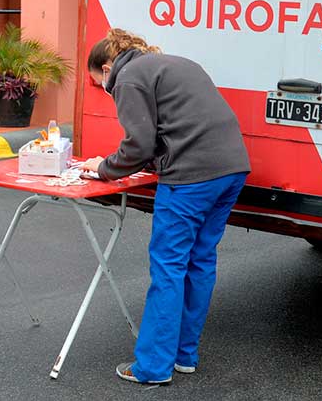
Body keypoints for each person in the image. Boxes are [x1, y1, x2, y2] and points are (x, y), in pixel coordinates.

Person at [81, 28, 251, 384]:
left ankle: (152, 367)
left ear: (108, 67)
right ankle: (184, 355)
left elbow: (139, 143)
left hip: (191, 177)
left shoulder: (127, 78)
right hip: (232, 169)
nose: (106, 91)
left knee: (169, 267)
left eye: (100, 83)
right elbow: (173, 128)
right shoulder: (173, 63)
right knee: (200, 260)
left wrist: (102, 168)